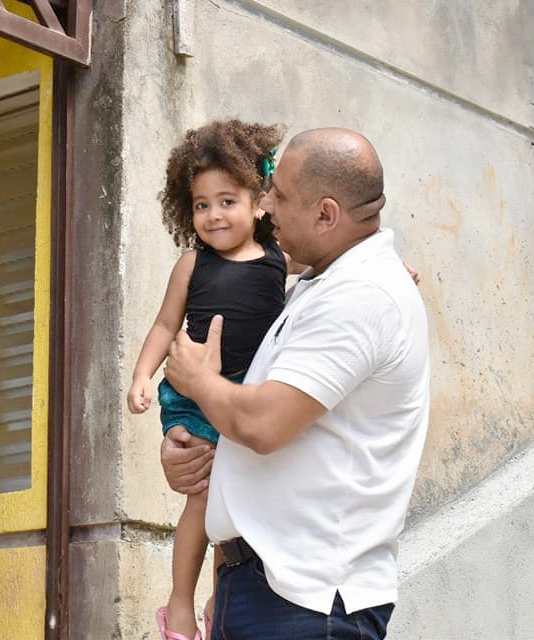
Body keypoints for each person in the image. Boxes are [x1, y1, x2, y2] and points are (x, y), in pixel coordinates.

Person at [162, 127, 430, 640]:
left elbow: (262, 423)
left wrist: (197, 381)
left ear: (326, 215)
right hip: (265, 589)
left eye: (279, 196)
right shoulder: (320, 284)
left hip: (306, 603)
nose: (266, 205)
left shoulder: (361, 295)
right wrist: (190, 448)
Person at [128, 120, 289, 640]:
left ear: (259, 203)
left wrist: (391, 267)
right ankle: (178, 604)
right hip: (194, 397)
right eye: (202, 205)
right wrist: (142, 375)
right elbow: (164, 325)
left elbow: (337, 266)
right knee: (202, 497)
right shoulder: (191, 265)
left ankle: (221, 599)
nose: (214, 215)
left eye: (227, 201)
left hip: (245, 394)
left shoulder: (279, 261)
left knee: (233, 502)